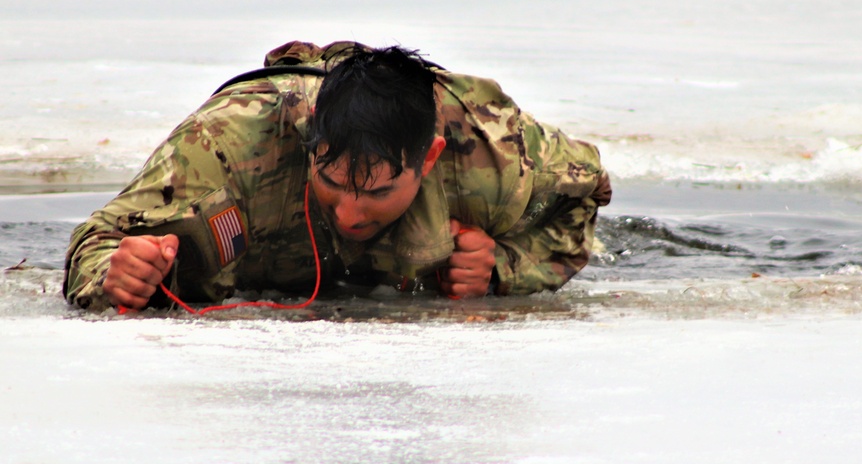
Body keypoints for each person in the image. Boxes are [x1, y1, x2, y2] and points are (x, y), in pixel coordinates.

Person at [63, 40, 612, 312]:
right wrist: (114, 273)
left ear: (428, 160)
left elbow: (587, 194)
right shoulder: (228, 145)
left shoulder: (491, 153)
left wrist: (501, 269)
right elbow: (94, 240)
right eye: (333, 181)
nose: (350, 214)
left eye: (376, 192)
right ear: (311, 143)